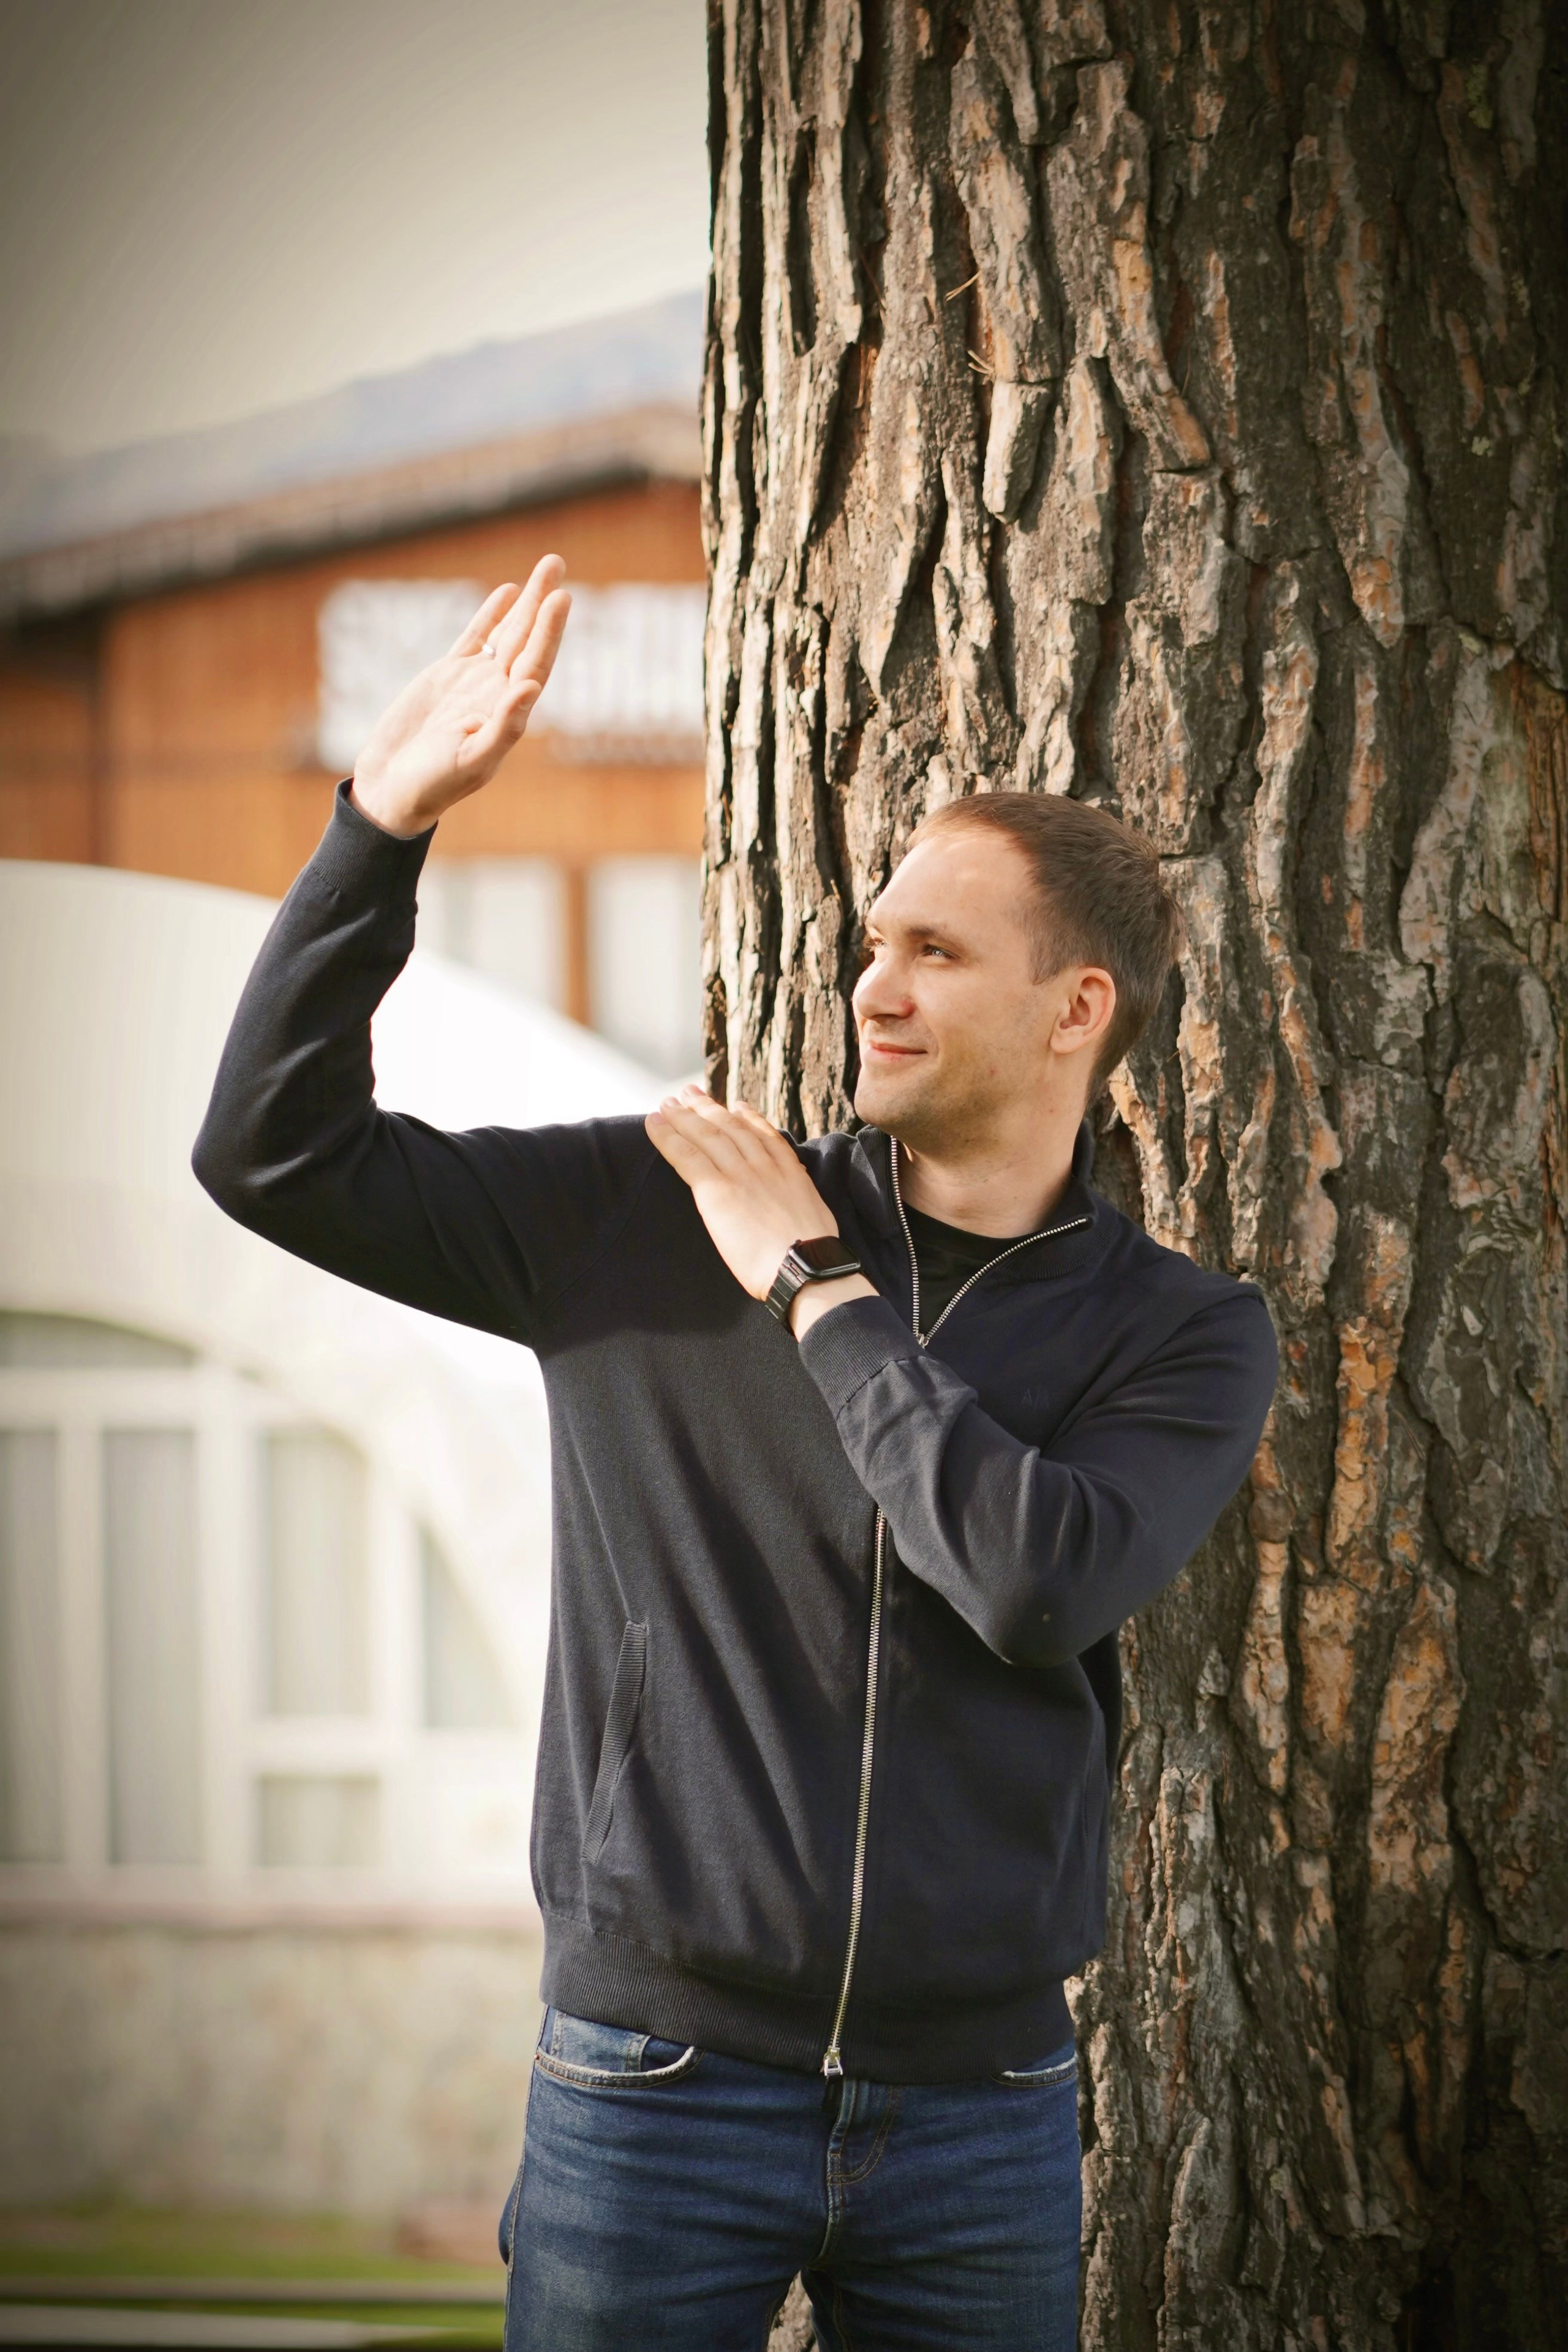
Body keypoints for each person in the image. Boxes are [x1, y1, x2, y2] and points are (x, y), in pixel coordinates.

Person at [194, 559, 1277, 2352]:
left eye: (936, 953)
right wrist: (378, 830)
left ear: (1078, 1011)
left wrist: (818, 1292)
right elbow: (270, 1157)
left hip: (981, 2110)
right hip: (652, 2080)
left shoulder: (1180, 1331)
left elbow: (1033, 1583)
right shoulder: (647, 1206)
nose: (876, 986)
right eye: (874, 944)